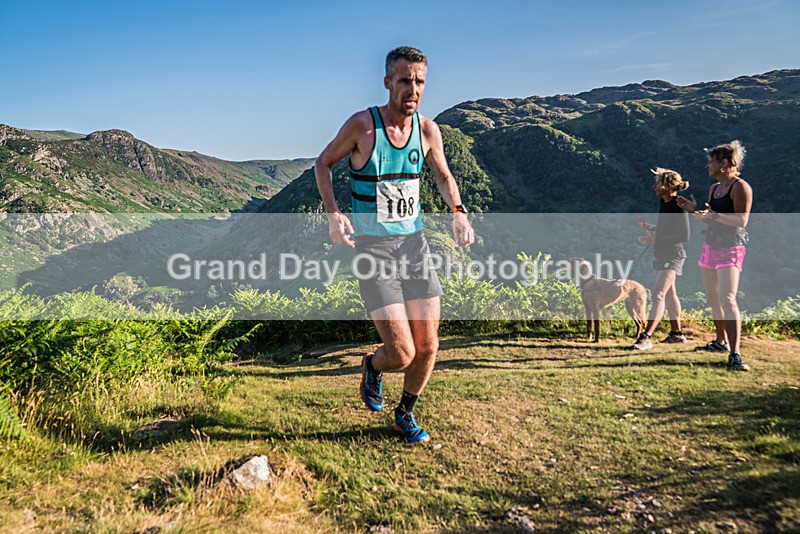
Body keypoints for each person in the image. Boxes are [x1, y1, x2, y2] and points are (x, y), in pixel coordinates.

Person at [314, 46, 475, 443]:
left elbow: (443, 175)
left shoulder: (428, 130)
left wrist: (458, 210)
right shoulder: (361, 127)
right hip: (374, 250)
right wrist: (334, 213)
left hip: (414, 246)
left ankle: (405, 412)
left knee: (429, 346)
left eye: (419, 81)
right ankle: (373, 364)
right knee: (401, 353)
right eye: (405, 80)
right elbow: (322, 163)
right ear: (388, 82)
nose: (413, 89)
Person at [676, 141, 753, 371]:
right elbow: (710, 217)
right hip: (711, 246)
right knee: (713, 297)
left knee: (728, 298)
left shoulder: (740, 187)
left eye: (711, 161)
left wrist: (713, 216)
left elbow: (741, 221)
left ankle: (735, 353)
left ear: (725, 163)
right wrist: (694, 211)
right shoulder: (714, 188)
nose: (707, 165)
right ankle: (720, 341)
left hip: (731, 248)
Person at [632, 168, 690, 350]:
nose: (654, 186)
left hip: (672, 256)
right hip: (663, 254)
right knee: (670, 293)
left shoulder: (677, 205)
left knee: (658, 293)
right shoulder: (664, 203)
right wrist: (652, 228)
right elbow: (669, 228)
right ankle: (676, 333)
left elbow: (684, 236)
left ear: (666, 185)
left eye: (657, 183)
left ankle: (646, 336)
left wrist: (655, 239)